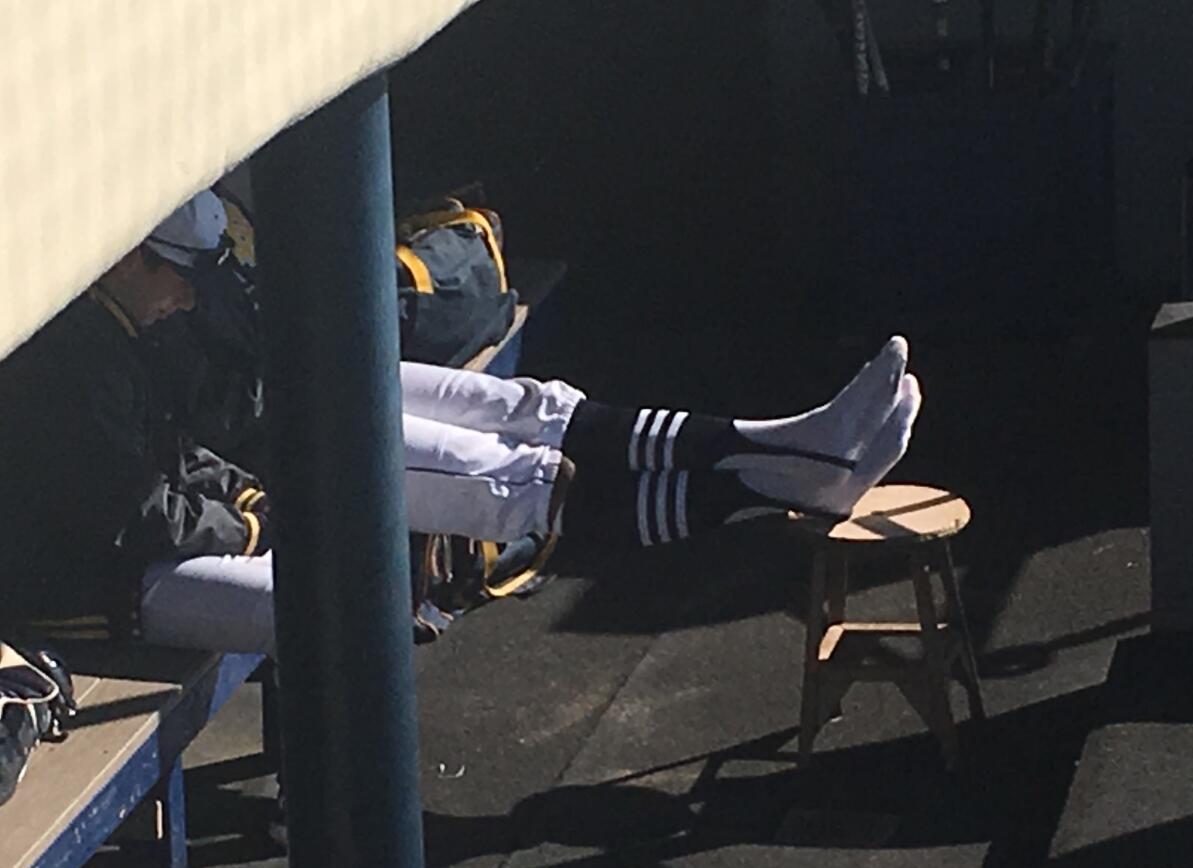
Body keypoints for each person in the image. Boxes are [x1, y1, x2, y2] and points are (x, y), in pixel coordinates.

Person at [0, 189, 921, 658]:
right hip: (150, 546)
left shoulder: (166, 289)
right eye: (176, 278)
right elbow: (131, 493)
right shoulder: (77, 346)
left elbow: (186, 435)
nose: (191, 295)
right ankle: (767, 484)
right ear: (123, 256)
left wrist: (237, 490)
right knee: (477, 503)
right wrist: (248, 508)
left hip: (265, 435)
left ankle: (777, 447)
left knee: (524, 410)